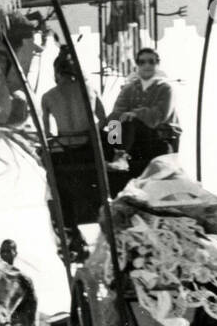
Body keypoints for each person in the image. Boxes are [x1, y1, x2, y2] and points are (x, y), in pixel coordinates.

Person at [42, 54, 108, 259]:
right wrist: (102, 137)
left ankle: (70, 230)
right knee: (115, 129)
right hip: (88, 149)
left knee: (54, 185)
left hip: (66, 151)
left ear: (56, 72)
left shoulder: (48, 96)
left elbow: (47, 134)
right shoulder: (90, 89)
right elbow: (106, 119)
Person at [103, 47, 181, 178]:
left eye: (151, 61)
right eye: (142, 62)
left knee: (130, 121)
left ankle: (120, 156)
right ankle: (117, 155)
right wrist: (118, 118)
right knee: (113, 120)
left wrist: (136, 113)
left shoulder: (165, 89)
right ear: (137, 64)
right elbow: (117, 111)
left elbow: (160, 115)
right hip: (133, 139)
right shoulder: (129, 89)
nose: (147, 65)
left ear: (158, 64)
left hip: (158, 137)